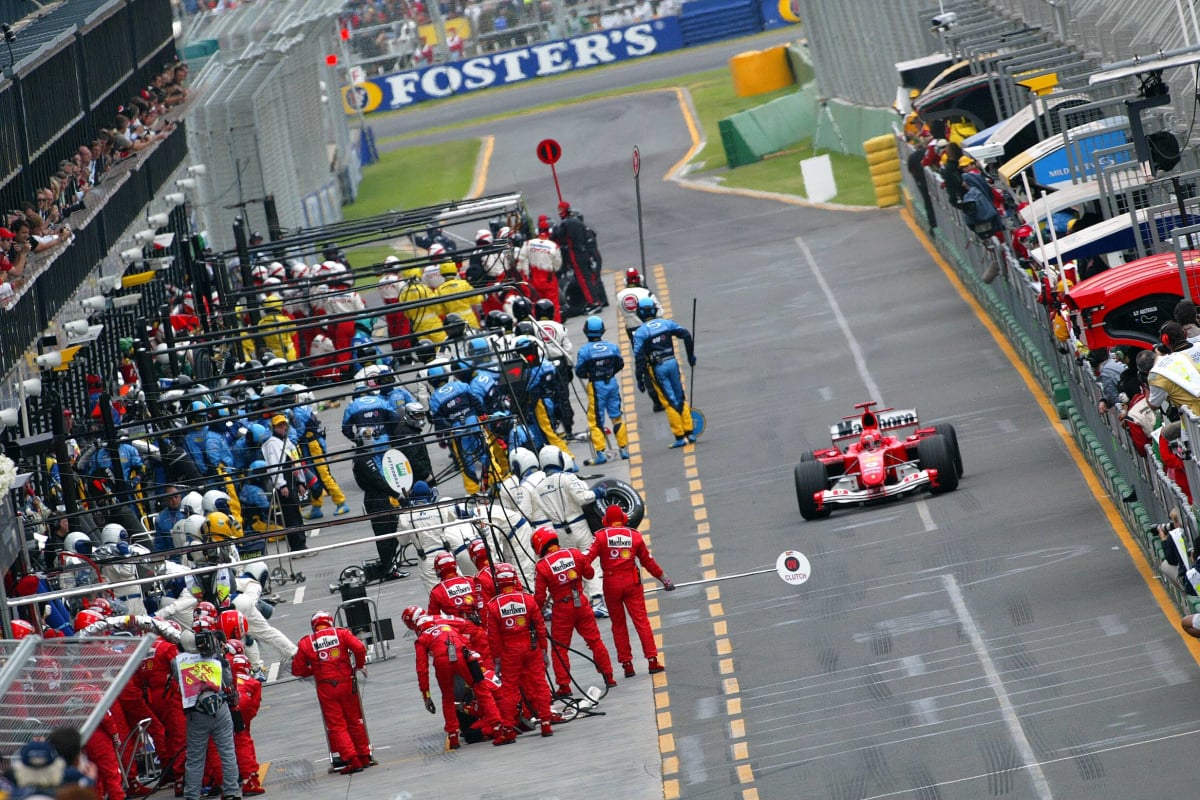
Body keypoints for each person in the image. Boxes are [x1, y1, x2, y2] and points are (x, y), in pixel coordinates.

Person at [585, 505, 673, 676]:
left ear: (606, 520)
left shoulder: (601, 537)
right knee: (642, 622)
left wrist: (581, 579)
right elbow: (648, 562)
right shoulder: (635, 536)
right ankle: (652, 660)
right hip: (632, 583)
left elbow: (586, 560)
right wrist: (665, 579)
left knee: (618, 625)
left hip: (611, 584)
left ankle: (627, 665)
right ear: (623, 518)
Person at [531, 525, 616, 697]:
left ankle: (564, 686)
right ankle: (609, 676)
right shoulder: (574, 553)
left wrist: (534, 614)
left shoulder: (542, 566)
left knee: (559, 648)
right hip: (582, 603)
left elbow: (539, 597)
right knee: (595, 641)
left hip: (562, 609)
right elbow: (590, 574)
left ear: (539, 545)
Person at [290, 611, 373, 774]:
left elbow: (297, 669)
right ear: (330, 622)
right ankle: (364, 756)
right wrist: (359, 665)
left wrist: (313, 670)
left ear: (314, 626)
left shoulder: (307, 642)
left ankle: (352, 759)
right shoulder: (341, 633)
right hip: (348, 683)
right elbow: (359, 648)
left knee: (336, 726)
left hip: (327, 687)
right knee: (355, 720)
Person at [481, 562, 556, 742]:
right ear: (515, 580)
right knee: (540, 683)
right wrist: (544, 650)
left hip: (509, 652)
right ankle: (546, 721)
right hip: (531, 648)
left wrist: (497, 660)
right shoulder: (528, 599)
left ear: (498, 583)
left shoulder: (493, 606)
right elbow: (540, 626)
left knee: (509, 690)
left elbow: (493, 638)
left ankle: (508, 729)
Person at [532, 444, 607, 615]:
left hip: (559, 532)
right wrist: (597, 492)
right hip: (578, 524)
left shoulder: (538, 489)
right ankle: (598, 600)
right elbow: (583, 498)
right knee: (590, 562)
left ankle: (582, 600)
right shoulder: (567, 478)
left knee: (571, 566)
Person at [409, 612, 502, 749]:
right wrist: (480, 669)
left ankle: (453, 737)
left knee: (448, 698)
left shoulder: (422, 638)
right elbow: (469, 648)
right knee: (481, 690)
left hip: (442, 662)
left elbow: (422, 670)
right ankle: (498, 727)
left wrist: (426, 696)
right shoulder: (449, 628)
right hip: (464, 657)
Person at [178, 615, 243, 800]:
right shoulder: (215, 658)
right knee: (228, 752)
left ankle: (191, 795)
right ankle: (231, 792)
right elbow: (228, 681)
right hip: (219, 708)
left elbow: (177, 679)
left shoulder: (179, 662)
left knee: (195, 758)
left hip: (196, 713)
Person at [632, 296, 697, 448]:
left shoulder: (640, 333)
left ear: (639, 313)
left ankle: (680, 436)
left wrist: (639, 378)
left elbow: (639, 357)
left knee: (669, 400)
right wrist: (690, 356)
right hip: (672, 362)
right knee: (680, 396)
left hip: (657, 367)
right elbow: (686, 335)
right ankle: (690, 432)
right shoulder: (665, 323)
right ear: (654, 310)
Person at [575, 315, 628, 465]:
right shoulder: (612, 347)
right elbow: (620, 364)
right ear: (603, 330)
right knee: (616, 416)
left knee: (596, 421)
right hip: (612, 383)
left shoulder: (584, 351)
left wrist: (592, 374)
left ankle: (600, 453)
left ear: (586, 331)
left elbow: (579, 371)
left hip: (597, 386)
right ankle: (624, 449)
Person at [260, 413, 310, 556]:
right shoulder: (272, 444)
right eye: (279, 426)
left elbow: (296, 461)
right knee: (291, 517)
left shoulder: (287, 442)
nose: (283, 428)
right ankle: (297, 547)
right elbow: (274, 466)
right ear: (274, 428)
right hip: (284, 484)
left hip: (293, 481)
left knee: (297, 514)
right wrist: (281, 485)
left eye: (284, 425)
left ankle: (302, 544)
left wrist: (301, 482)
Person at [534, 297, 577, 440]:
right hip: (560, 364)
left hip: (542, 366)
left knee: (546, 398)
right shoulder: (559, 327)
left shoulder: (532, 327)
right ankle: (569, 428)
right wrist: (569, 367)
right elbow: (568, 349)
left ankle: (552, 429)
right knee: (564, 397)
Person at [553, 201, 605, 315]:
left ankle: (594, 303)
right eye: (558, 211)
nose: (559, 213)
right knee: (585, 279)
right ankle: (592, 301)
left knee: (584, 280)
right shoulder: (573, 223)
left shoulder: (569, 223)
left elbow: (560, 235)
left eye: (561, 211)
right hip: (580, 254)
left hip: (577, 255)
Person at [1148, 321, 1200, 417]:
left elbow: (1154, 405)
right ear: (1184, 334)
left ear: (1165, 340)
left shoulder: (1164, 368)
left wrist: (1158, 359)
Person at [516, 216, 562, 322]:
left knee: (536, 305)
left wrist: (527, 274)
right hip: (549, 279)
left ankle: (539, 327)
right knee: (554, 305)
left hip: (533, 278)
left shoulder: (528, 243)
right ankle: (556, 326)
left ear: (538, 231)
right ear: (549, 231)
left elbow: (521, 259)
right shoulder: (554, 246)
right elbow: (557, 266)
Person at [427, 551, 482, 620]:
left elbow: (433, 618)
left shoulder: (437, 591)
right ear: (455, 566)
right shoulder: (471, 580)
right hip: (481, 621)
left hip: (456, 627)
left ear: (438, 570)